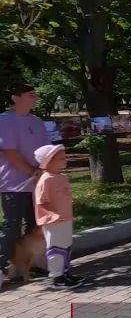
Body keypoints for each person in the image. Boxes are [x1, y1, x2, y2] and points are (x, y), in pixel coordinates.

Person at [1, 82, 51, 290]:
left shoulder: (37, 121)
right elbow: (9, 152)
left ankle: (31, 263)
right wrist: (31, 171)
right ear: (15, 97)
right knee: (12, 227)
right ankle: (3, 267)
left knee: (35, 226)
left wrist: (44, 170)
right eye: (30, 94)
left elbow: (46, 150)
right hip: (13, 184)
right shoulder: (5, 120)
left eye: (35, 94)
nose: (35, 98)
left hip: (37, 183)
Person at [32, 144, 86, 288]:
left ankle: (66, 273)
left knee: (66, 246)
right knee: (56, 248)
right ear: (49, 161)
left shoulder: (61, 177)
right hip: (53, 222)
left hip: (65, 219)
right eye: (61, 158)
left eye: (65, 157)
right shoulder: (46, 180)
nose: (65, 160)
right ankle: (57, 277)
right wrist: (51, 215)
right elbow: (41, 202)